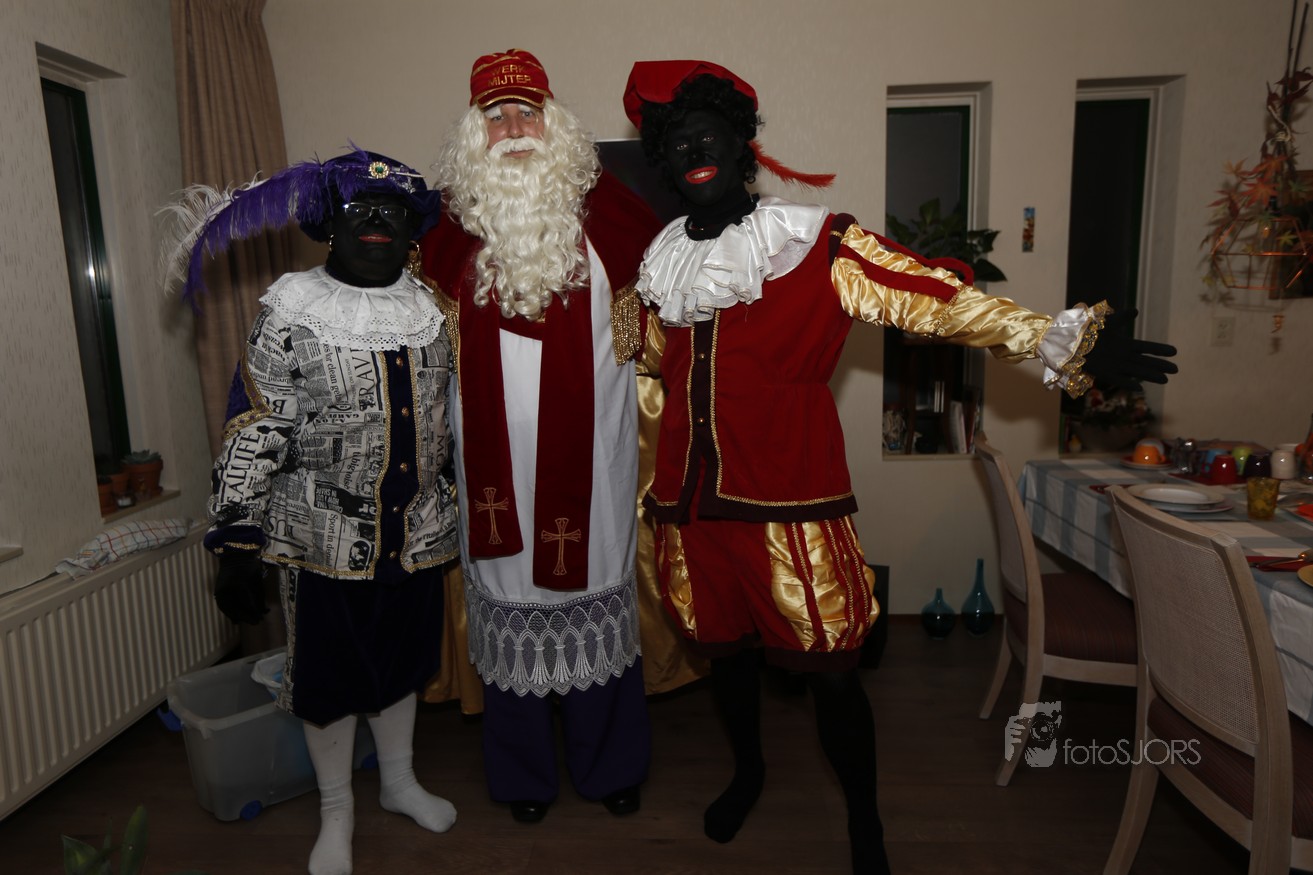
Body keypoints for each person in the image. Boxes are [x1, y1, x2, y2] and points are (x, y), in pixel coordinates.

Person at [622, 60, 1177, 874]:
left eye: (706, 134)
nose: (691, 150)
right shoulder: (657, 265)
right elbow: (641, 364)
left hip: (789, 502)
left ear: (743, 146)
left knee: (833, 674)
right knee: (725, 658)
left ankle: (864, 823)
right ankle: (747, 773)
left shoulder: (815, 242)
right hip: (691, 506)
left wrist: (1053, 339)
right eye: (674, 143)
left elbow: (934, 298)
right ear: (664, 164)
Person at [164, 148, 459, 875]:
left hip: (418, 533)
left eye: (392, 211)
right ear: (329, 223)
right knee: (329, 679)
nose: (376, 222)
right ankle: (336, 809)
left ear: (412, 229)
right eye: (359, 209)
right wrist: (236, 540)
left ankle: (398, 782)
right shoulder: (291, 310)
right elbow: (255, 425)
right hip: (320, 541)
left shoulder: (435, 309)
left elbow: (452, 416)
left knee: (401, 665)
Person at [419, 49, 673, 824]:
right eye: (495, 115)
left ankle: (610, 763)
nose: (512, 128)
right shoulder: (443, 231)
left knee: (595, 584)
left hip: (591, 460)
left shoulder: (614, 214)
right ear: (474, 132)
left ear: (552, 121)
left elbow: (665, 321)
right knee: (507, 598)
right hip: (493, 464)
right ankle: (523, 773)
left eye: (525, 111)